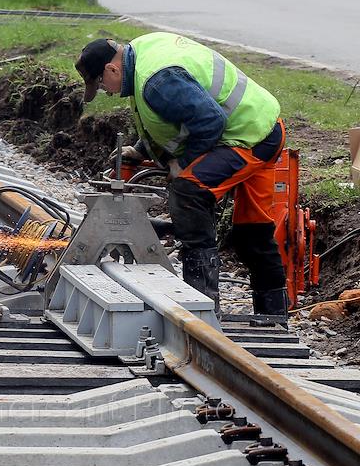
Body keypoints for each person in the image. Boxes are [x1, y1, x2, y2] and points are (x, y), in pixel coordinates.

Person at [75, 33, 288, 315]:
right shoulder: (140, 55)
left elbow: (210, 122)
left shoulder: (156, 81)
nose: (108, 92)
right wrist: (141, 149)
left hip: (247, 138)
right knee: (252, 232)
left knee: (188, 192)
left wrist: (182, 164)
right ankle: (273, 317)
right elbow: (176, 114)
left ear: (111, 69)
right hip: (262, 126)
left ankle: (202, 307)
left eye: (102, 85)